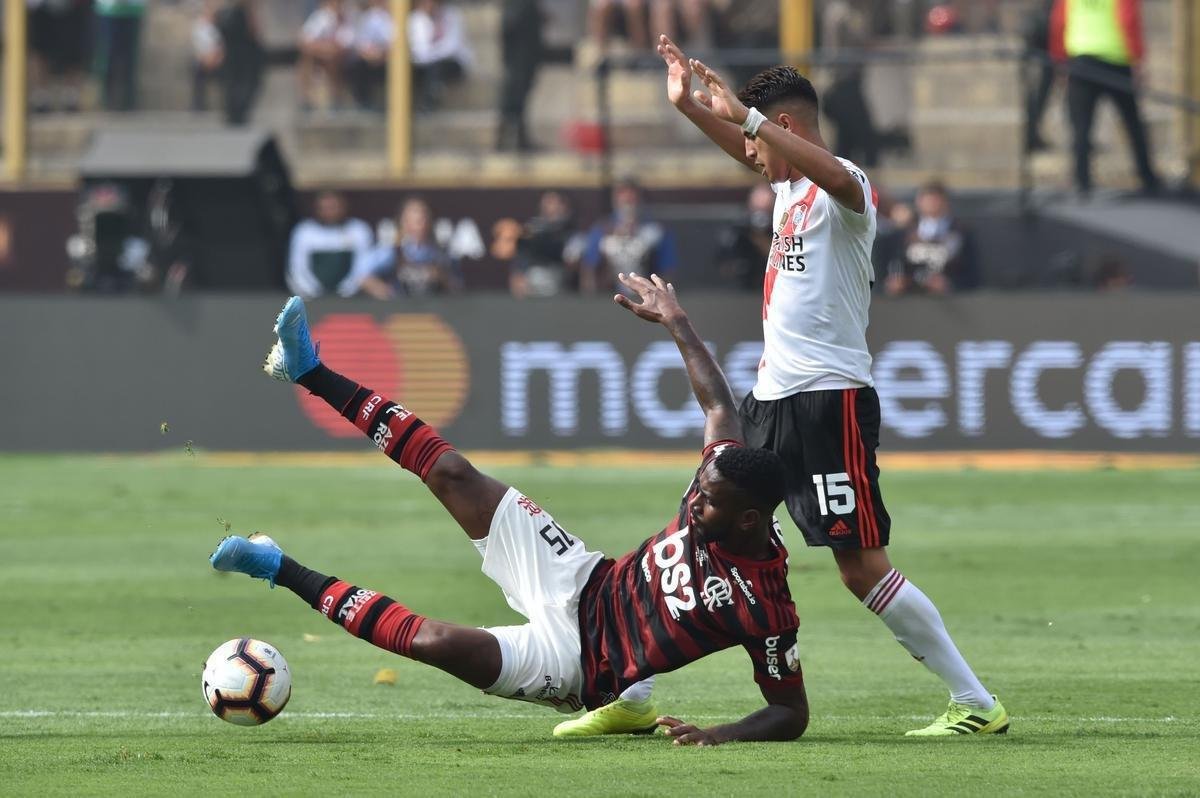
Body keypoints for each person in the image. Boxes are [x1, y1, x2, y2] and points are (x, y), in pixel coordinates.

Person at [584, 36, 1006, 739]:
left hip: (829, 400)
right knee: (697, 531)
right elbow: (758, 149)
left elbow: (815, 165)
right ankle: (634, 690)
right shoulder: (786, 186)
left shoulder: (848, 191)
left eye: (759, 140)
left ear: (783, 129)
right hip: (771, 398)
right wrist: (692, 108)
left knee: (860, 567)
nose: (750, 159)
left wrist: (749, 124)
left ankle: (976, 703)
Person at [212, 281, 809, 745]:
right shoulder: (727, 476)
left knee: (435, 641)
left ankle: (277, 567)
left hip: (579, 665)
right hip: (581, 576)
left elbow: (790, 712)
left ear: (749, 521)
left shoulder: (766, 606)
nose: (693, 499)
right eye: (698, 487)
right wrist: (677, 321)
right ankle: (309, 370)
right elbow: (716, 404)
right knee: (452, 475)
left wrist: (719, 734)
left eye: (705, 500)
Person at [1049, 0, 1160, 197]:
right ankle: (1147, 176)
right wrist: (1138, 58)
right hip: (1116, 60)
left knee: (1081, 126)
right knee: (1132, 123)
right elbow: (1129, 19)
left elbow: (1059, 22)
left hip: (1081, 61)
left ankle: (1081, 180)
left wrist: (1060, 60)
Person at [580, 179, 679, 295]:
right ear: (615, 199)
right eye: (623, 195)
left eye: (632, 196)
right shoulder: (601, 229)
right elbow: (589, 267)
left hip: (647, 296)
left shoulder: (656, 231)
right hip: (609, 295)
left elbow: (668, 270)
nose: (628, 199)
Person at [884, 180, 978, 296]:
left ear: (945, 202)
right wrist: (896, 282)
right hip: (908, 300)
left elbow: (972, 273)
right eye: (928, 199)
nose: (932, 204)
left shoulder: (960, 233)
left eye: (936, 199)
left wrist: (950, 284)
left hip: (949, 303)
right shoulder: (905, 233)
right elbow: (894, 264)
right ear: (918, 202)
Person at [359, 198, 457, 298]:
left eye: (424, 218)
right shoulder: (392, 252)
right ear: (404, 223)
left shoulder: (440, 254)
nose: (421, 225)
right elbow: (363, 279)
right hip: (400, 309)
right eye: (416, 221)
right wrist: (391, 294)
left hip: (433, 309)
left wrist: (441, 277)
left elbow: (457, 288)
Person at [286, 191, 374, 298]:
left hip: (351, 300)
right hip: (312, 299)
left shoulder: (358, 229)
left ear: (343, 207)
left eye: (333, 207)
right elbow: (297, 269)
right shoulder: (304, 231)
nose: (329, 212)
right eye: (324, 208)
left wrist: (345, 292)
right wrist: (313, 293)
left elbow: (363, 267)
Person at [507, 191, 587, 299]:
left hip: (557, 279)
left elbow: (571, 262)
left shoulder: (572, 235)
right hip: (531, 280)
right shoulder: (532, 230)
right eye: (547, 203)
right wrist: (518, 276)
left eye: (553, 203)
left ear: (564, 206)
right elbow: (521, 257)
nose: (550, 208)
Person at [408, 0, 473, 111]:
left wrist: (429, 56)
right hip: (424, 63)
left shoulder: (451, 15)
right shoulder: (415, 19)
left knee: (434, 68)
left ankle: (430, 102)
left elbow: (451, 46)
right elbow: (418, 48)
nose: (428, 5)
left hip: (452, 62)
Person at [497, 0, 544, 152]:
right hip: (518, 56)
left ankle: (519, 139)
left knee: (521, 97)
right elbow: (509, 26)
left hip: (528, 52)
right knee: (513, 97)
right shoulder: (516, 5)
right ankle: (506, 140)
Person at [715, 182, 774, 291]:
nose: (760, 217)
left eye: (765, 208)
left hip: (769, 284)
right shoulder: (738, 227)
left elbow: (778, 257)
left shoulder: (778, 226)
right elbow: (723, 264)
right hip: (738, 288)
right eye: (757, 207)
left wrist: (760, 238)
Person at [298, 0, 352, 111]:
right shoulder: (320, 17)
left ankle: (336, 100)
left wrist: (326, 49)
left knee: (333, 59)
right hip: (322, 56)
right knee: (305, 60)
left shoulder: (348, 17)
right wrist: (325, 49)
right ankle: (306, 101)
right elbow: (304, 42)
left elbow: (344, 46)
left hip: (346, 59)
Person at [93, 0, 146, 111]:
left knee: (130, 58)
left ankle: (128, 100)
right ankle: (107, 99)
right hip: (108, 9)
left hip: (133, 10)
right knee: (108, 56)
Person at [347, 0, 393, 111]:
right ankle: (363, 104)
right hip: (370, 58)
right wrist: (371, 54)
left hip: (390, 59)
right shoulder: (368, 17)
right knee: (357, 64)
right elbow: (361, 43)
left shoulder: (398, 16)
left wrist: (385, 53)